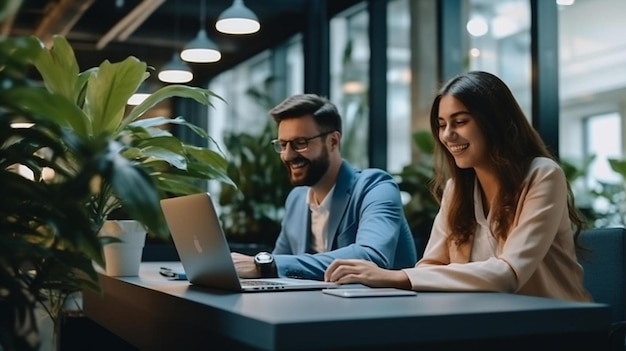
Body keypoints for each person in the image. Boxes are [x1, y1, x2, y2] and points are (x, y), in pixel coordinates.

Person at [325, 71, 591, 302]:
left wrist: (395, 276)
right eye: (442, 125)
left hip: (556, 323)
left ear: (493, 122)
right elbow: (431, 265)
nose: (447, 135)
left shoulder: (542, 175)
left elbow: (508, 274)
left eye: (460, 122)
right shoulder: (457, 188)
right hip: (487, 319)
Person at [231, 93, 417, 280]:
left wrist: (267, 265)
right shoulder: (296, 200)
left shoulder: (376, 187)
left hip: (378, 307)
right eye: (283, 144)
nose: (287, 155)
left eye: (300, 143)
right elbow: (279, 270)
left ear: (333, 141)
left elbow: (370, 257)